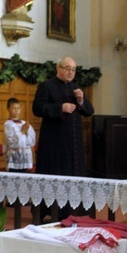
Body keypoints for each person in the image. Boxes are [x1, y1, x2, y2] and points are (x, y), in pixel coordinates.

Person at [33, 57, 94, 217]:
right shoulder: (46, 86)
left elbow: (89, 111)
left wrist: (81, 100)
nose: (70, 72)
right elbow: (37, 108)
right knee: (55, 176)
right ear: (58, 68)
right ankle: (50, 211)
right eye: (67, 68)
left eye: (73, 69)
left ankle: (73, 211)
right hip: (54, 144)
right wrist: (60, 108)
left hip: (74, 145)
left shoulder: (76, 89)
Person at [3, 97, 36, 172]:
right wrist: (21, 132)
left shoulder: (24, 123)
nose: (16, 111)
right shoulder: (8, 124)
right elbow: (10, 141)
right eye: (14, 108)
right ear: (8, 109)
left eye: (18, 108)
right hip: (14, 157)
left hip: (25, 157)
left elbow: (31, 142)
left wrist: (27, 133)